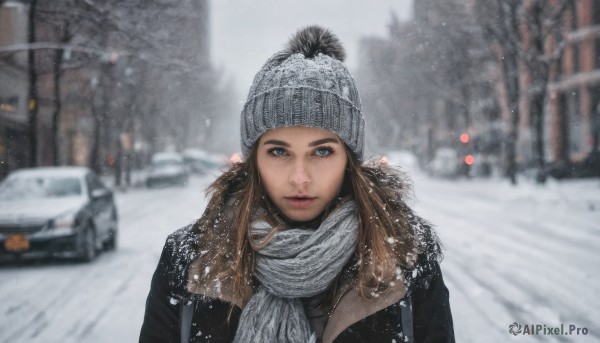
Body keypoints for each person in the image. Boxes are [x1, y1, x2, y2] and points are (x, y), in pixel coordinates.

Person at [140, 25, 454, 343]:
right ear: (254, 160)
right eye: (278, 151)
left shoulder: (406, 258)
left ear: (349, 159)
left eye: (322, 151)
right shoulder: (189, 262)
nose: (299, 177)